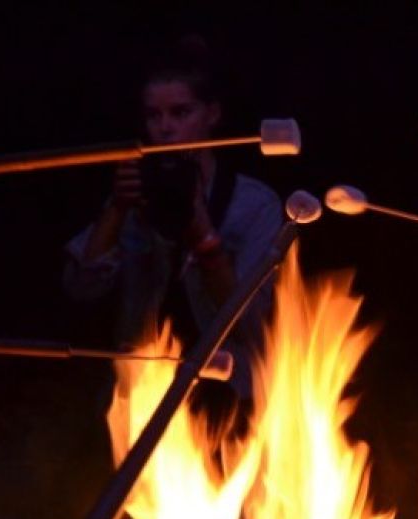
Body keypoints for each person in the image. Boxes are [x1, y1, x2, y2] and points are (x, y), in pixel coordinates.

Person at [63, 38, 283, 411]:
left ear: (211, 115)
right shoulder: (132, 198)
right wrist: (116, 209)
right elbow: (79, 289)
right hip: (142, 391)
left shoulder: (253, 204)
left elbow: (257, 327)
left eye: (180, 113)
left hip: (233, 396)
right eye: (154, 116)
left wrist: (205, 240)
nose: (165, 129)